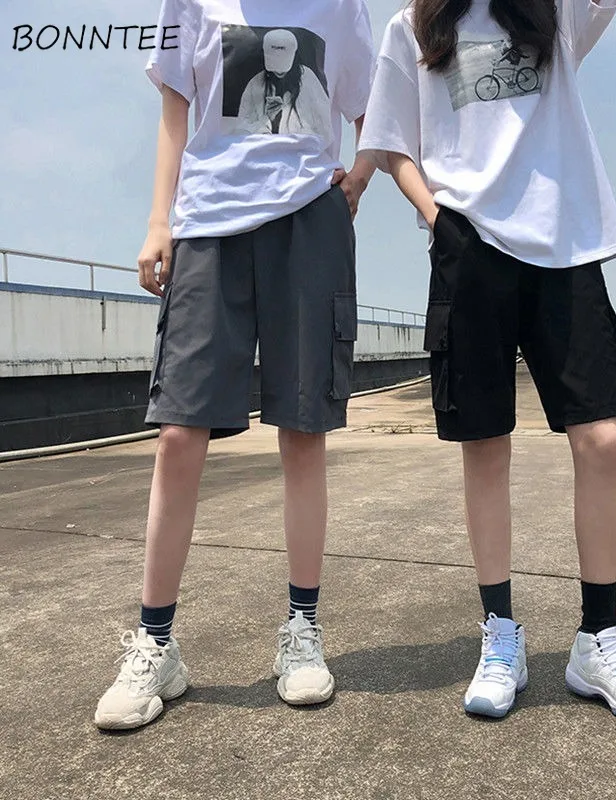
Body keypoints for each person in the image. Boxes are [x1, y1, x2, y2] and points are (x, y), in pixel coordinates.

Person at [358, 0, 616, 726]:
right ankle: (501, 634)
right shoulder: (413, 27)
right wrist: (439, 220)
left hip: (564, 245)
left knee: (602, 439)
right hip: (470, 248)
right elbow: (393, 142)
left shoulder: (553, 13)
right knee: (484, 444)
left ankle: (599, 640)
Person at [94, 0, 375, 730]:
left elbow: (371, 105)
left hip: (308, 220)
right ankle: (156, 642)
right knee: (178, 433)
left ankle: (303, 631)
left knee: (303, 431)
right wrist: (158, 221)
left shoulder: (341, 5)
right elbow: (175, 106)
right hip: (208, 223)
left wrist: (360, 175)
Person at [237, 29, 334, 140]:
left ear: (294, 55)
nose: (279, 72)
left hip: (302, 150)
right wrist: (266, 119)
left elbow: (325, 128)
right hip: (263, 150)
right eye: (274, 63)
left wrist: (301, 138)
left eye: (283, 62)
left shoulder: (308, 79)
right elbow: (240, 132)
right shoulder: (255, 84)